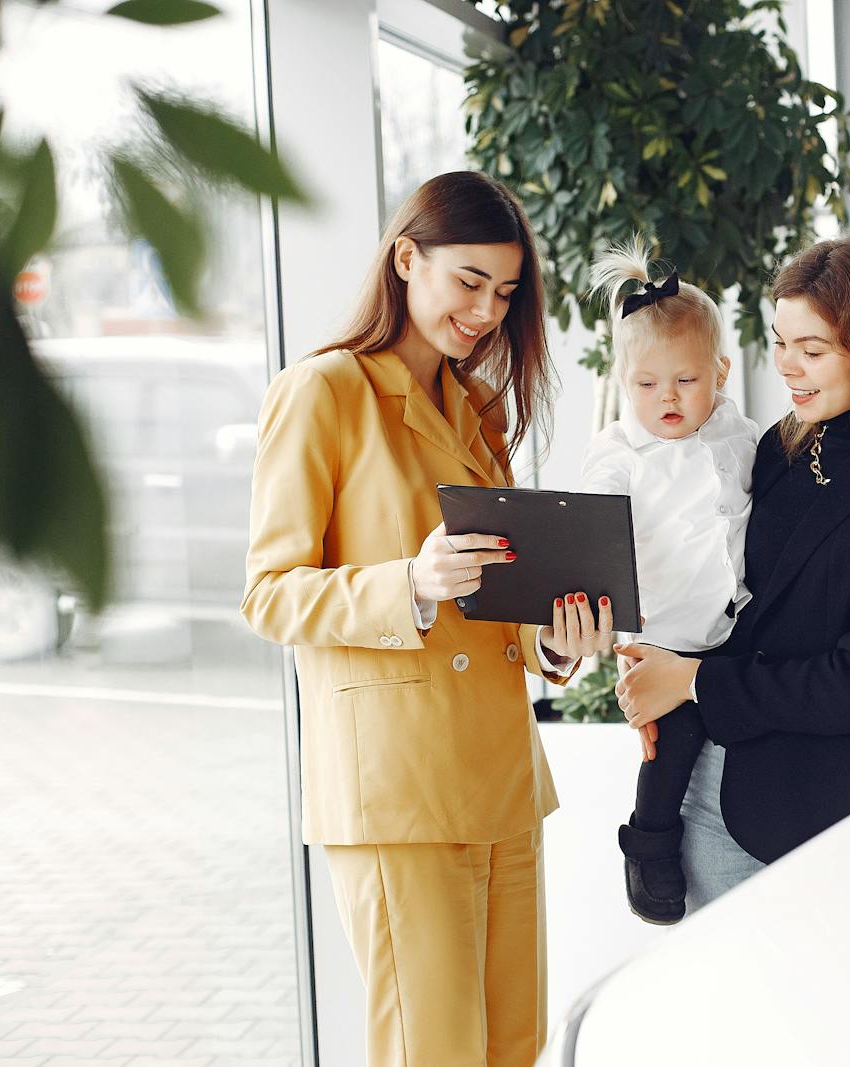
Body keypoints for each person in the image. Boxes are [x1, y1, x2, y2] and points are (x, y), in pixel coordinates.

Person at [240, 171, 614, 1067]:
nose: (486, 311)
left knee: (513, 1048)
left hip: (500, 782)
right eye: (469, 281)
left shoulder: (477, 407)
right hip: (396, 791)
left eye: (506, 292)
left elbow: (502, 590)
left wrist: (555, 643)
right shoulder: (323, 392)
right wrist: (407, 581)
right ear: (407, 258)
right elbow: (268, 592)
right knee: (431, 1052)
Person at [614, 233, 850, 909]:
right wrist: (656, 660)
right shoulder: (783, 446)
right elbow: (730, 600)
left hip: (839, 815)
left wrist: (694, 680)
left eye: (813, 350)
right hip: (717, 794)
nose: (788, 367)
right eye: (781, 341)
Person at [578, 238, 758, 924]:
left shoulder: (738, 433)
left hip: (738, 625)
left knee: (739, 724)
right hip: (665, 634)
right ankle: (649, 842)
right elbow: (595, 515)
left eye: (685, 380)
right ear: (625, 385)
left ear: (720, 369)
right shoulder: (621, 451)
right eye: (647, 385)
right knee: (671, 741)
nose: (668, 398)